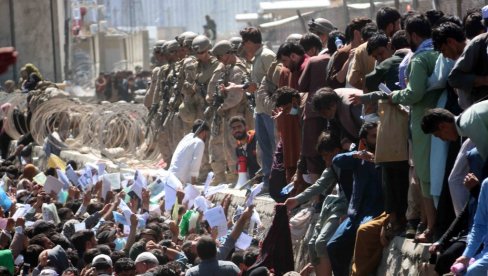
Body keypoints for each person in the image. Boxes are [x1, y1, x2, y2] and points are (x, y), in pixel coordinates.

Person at [388, 14, 443, 243]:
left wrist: (394, 95)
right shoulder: (439, 52)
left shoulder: (419, 60)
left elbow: (414, 93)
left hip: (423, 124)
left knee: (424, 176)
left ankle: (431, 227)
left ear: (413, 35)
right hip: (442, 119)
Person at [284, 131, 348, 276]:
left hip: (345, 208)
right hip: (332, 206)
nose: (325, 160)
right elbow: (318, 185)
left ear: (336, 151)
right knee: (312, 244)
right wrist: (296, 200)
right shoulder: (332, 168)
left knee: (321, 243)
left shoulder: (349, 164)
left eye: (327, 156)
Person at [327, 122, 383, 276]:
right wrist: (356, 154)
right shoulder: (358, 158)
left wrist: (377, 160)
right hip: (355, 213)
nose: (378, 139)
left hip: (376, 212)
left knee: (362, 234)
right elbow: (336, 160)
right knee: (332, 246)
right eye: (373, 136)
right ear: (364, 141)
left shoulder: (387, 156)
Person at [206, 40, 250, 185]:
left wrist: (223, 106)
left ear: (227, 54)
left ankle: (238, 177)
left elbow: (236, 96)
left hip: (236, 114)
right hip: (230, 113)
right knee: (228, 146)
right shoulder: (228, 68)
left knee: (234, 146)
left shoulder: (237, 70)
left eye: (219, 57)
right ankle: (233, 176)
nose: (219, 61)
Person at [239, 27, 276, 194]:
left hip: (269, 109)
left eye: (244, 42)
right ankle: (268, 181)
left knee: (275, 146)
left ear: (250, 42)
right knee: (264, 148)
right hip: (260, 109)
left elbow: (276, 81)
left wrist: (259, 87)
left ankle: (278, 181)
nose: (243, 46)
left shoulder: (267, 56)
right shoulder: (257, 58)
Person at [421, 101, 488, 165]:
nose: (443, 140)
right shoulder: (465, 119)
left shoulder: (467, 124)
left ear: (442, 126)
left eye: (439, 135)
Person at [168, 120, 209, 185]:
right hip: (180, 181)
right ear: (203, 132)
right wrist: (193, 184)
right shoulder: (199, 142)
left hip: (170, 176)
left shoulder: (186, 138)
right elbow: (195, 164)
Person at [229, 116, 260, 181]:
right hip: (254, 182)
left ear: (246, 127)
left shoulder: (257, 138)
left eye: (239, 127)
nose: (237, 130)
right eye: (234, 128)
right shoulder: (238, 149)